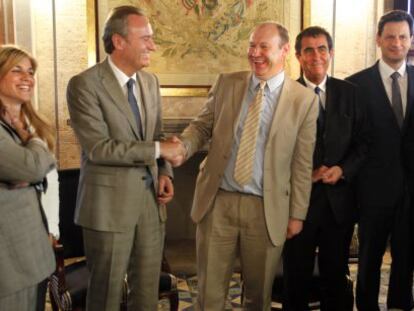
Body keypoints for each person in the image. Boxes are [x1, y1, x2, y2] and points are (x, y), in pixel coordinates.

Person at [165, 22, 318, 310]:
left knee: (258, 298)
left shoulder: (304, 101)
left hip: (265, 208)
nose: (255, 53)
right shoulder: (227, 83)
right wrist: (184, 146)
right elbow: (202, 126)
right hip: (217, 201)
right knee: (209, 295)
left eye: (264, 47)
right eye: (251, 45)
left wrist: (297, 214)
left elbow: (302, 162)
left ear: (284, 51)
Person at [66, 5, 179, 311]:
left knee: (146, 295)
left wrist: (164, 172)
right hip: (108, 210)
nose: (153, 46)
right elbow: (99, 148)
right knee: (106, 298)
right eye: (146, 38)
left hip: (150, 206)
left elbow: (157, 135)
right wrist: (159, 151)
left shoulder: (150, 83)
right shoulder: (84, 85)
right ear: (119, 41)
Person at [282, 26, 369, 310]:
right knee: (296, 278)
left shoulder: (350, 93)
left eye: (322, 49)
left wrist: (342, 170)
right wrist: (306, 176)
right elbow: (276, 153)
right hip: (298, 206)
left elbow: (363, 144)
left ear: (330, 53)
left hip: (338, 204)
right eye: (308, 50)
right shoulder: (285, 95)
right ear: (298, 56)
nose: (316, 55)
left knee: (335, 277)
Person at [347, 10, 414, 310]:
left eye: (402, 36)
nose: (396, 43)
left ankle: (401, 305)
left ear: (411, 40)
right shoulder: (354, 87)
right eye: (390, 36)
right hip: (373, 193)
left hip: (412, 193)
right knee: (369, 262)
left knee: (407, 259)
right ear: (378, 39)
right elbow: (349, 143)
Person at [0, 45, 56, 310]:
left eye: (30, 72)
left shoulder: (29, 119)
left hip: (34, 249)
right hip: (8, 262)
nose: (27, 78)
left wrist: (31, 169)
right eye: (17, 70)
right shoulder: (19, 127)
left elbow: (46, 167)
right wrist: (31, 143)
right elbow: (33, 168)